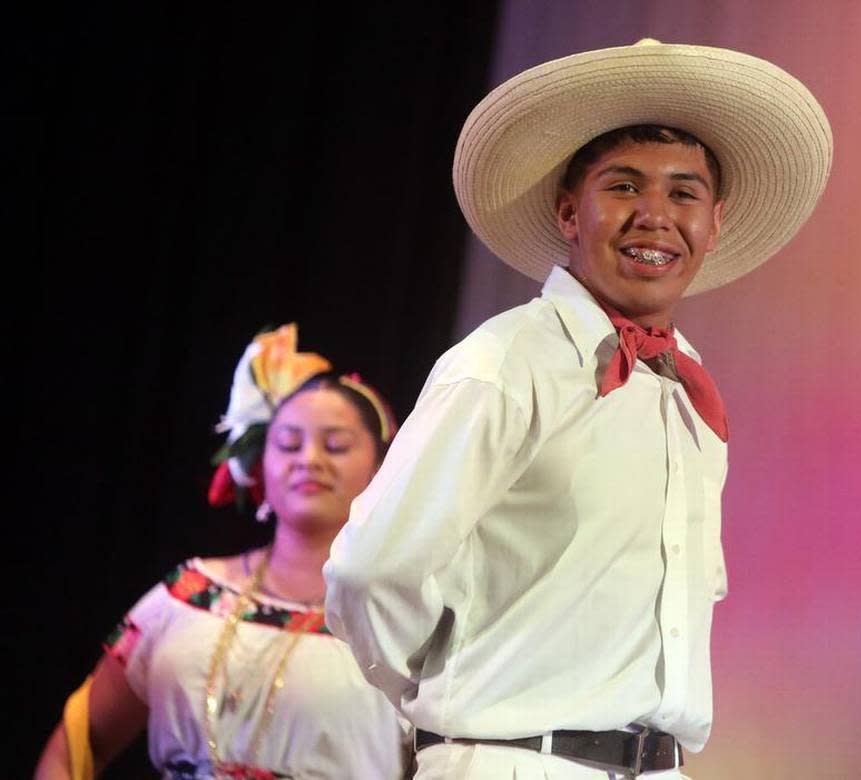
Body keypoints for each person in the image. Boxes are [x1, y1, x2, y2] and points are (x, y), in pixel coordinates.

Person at [324, 39, 832, 778]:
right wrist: (457, 705)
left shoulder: (686, 391)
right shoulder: (505, 364)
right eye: (624, 187)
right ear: (570, 211)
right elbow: (370, 573)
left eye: (683, 194)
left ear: (714, 223)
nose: (655, 215)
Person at [35, 324, 409, 780]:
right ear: (260, 469)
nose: (309, 459)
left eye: (336, 445)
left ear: (379, 470)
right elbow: (78, 741)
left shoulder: (404, 621)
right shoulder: (188, 596)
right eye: (289, 444)